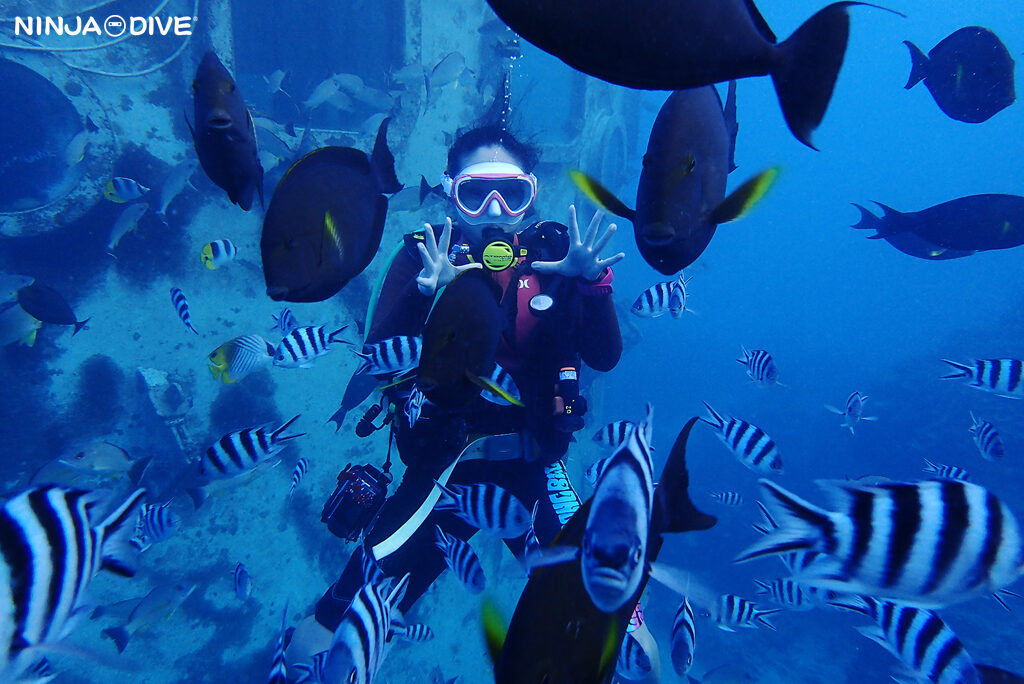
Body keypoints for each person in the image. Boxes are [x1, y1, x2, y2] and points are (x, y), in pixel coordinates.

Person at [298, 125, 624, 653]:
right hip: (444, 471)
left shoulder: (558, 259)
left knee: (613, 620)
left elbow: (605, 357)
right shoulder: (420, 258)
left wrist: (594, 286)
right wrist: (423, 294)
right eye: (476, 194)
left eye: (511, 194)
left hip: (536, 462)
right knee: (338, 623)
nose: (494, 210)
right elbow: (379, 362)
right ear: (452, 194)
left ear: (529, 199)